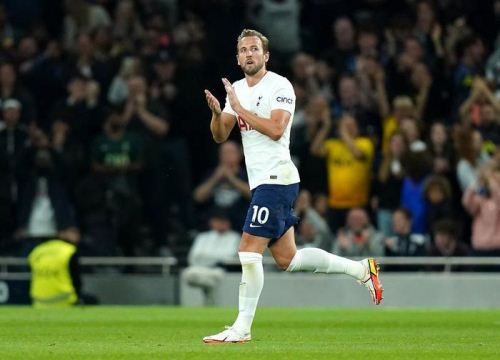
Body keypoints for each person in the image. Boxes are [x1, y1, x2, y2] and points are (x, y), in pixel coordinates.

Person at [202, 29, 383, 344]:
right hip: (265, 183)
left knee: (247, 251)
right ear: (237, 57)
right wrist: (218, 114)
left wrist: (240, 110)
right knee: (288, 259)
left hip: (277, 178)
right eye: (243, 50)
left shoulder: (279, 85)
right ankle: (361, 270)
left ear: (266, 55)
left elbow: (275, 129)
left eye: (254, 49)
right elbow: (220, 136)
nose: (248, 54)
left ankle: (241, 329)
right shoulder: (238, 90)